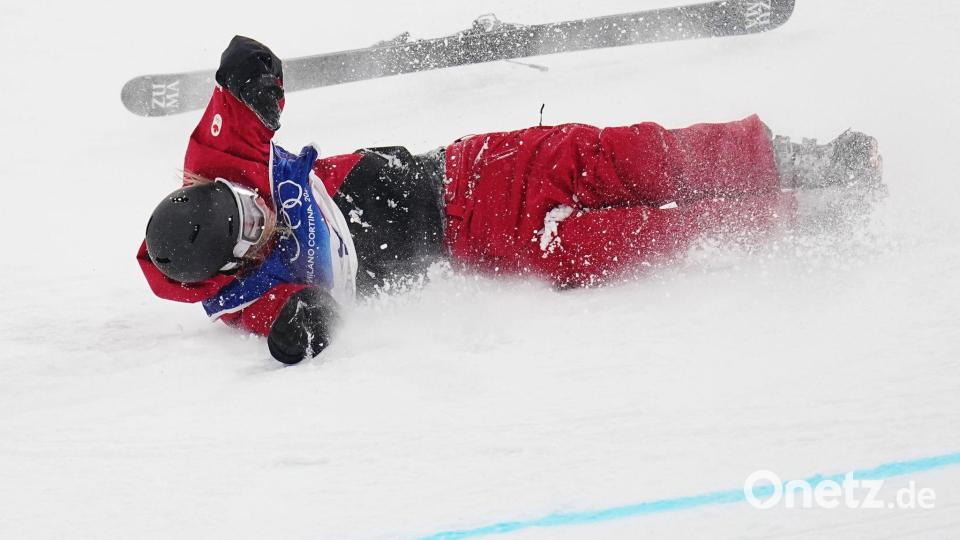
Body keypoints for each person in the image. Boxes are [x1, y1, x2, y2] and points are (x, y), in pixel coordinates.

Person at [137, 36, 883, 365]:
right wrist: (298, 327)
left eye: (248, 202)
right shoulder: (244, 294)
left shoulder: (217, 165)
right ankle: (811, 216)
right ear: (234, 264)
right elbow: (302, 322)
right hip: (490, 244)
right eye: (254, 231)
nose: (262, 214)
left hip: (472, 172)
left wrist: (251, 74)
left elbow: (237, 86)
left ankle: (805, 161)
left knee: (635, 157)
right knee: (638, 238)